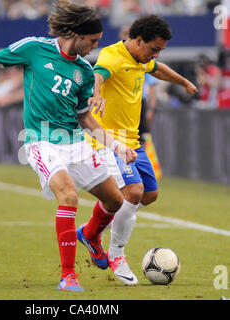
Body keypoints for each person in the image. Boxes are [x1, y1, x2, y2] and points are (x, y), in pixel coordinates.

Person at [0, 0, 137, 292]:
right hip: (41, 140)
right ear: (76, 33)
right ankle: (68, 275)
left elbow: (85, 118)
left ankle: (90, 236)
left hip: (73, 141)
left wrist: (117, 147)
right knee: (69, 196)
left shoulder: (85, 72)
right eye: (92, 41)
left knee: (115, 201)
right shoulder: (34, 48)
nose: (94, 48)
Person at [87, 15, 198, 285]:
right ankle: (116, 255)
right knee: (132, 192)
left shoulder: (142, 58)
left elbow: (157, 68)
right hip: (109, 139)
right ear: (138, 40)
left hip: (133, 141)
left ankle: (89, 232)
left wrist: (183, 82)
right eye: (154, 48)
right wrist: (96, 93)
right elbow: (97, 76)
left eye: (160, 49)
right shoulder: (112, 57)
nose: (156, 54)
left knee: (148, 195)